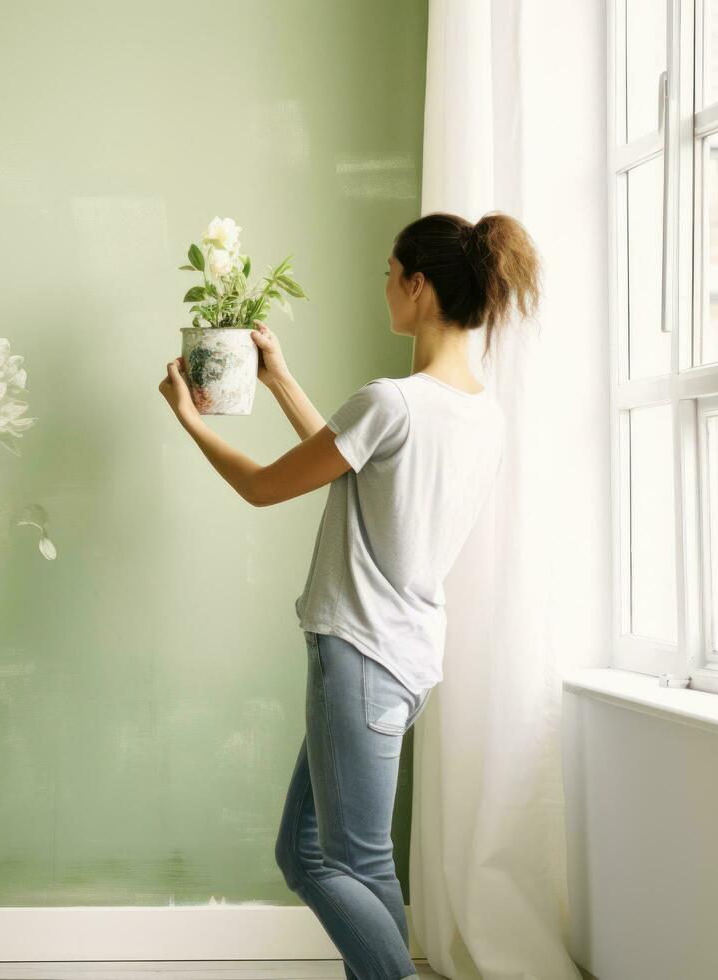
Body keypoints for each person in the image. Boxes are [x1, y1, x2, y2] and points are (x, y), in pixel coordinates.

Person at [157, 211, 541, 980]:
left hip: (359, 656)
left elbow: (268, 488)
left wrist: (190, 421)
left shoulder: (393, 401)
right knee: (304, 852)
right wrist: (280, 377)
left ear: (418, 285)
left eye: (389, 274)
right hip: (405, 659)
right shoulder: (479, 414)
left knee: (351, 864)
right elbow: (355, 465)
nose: (385, 288)